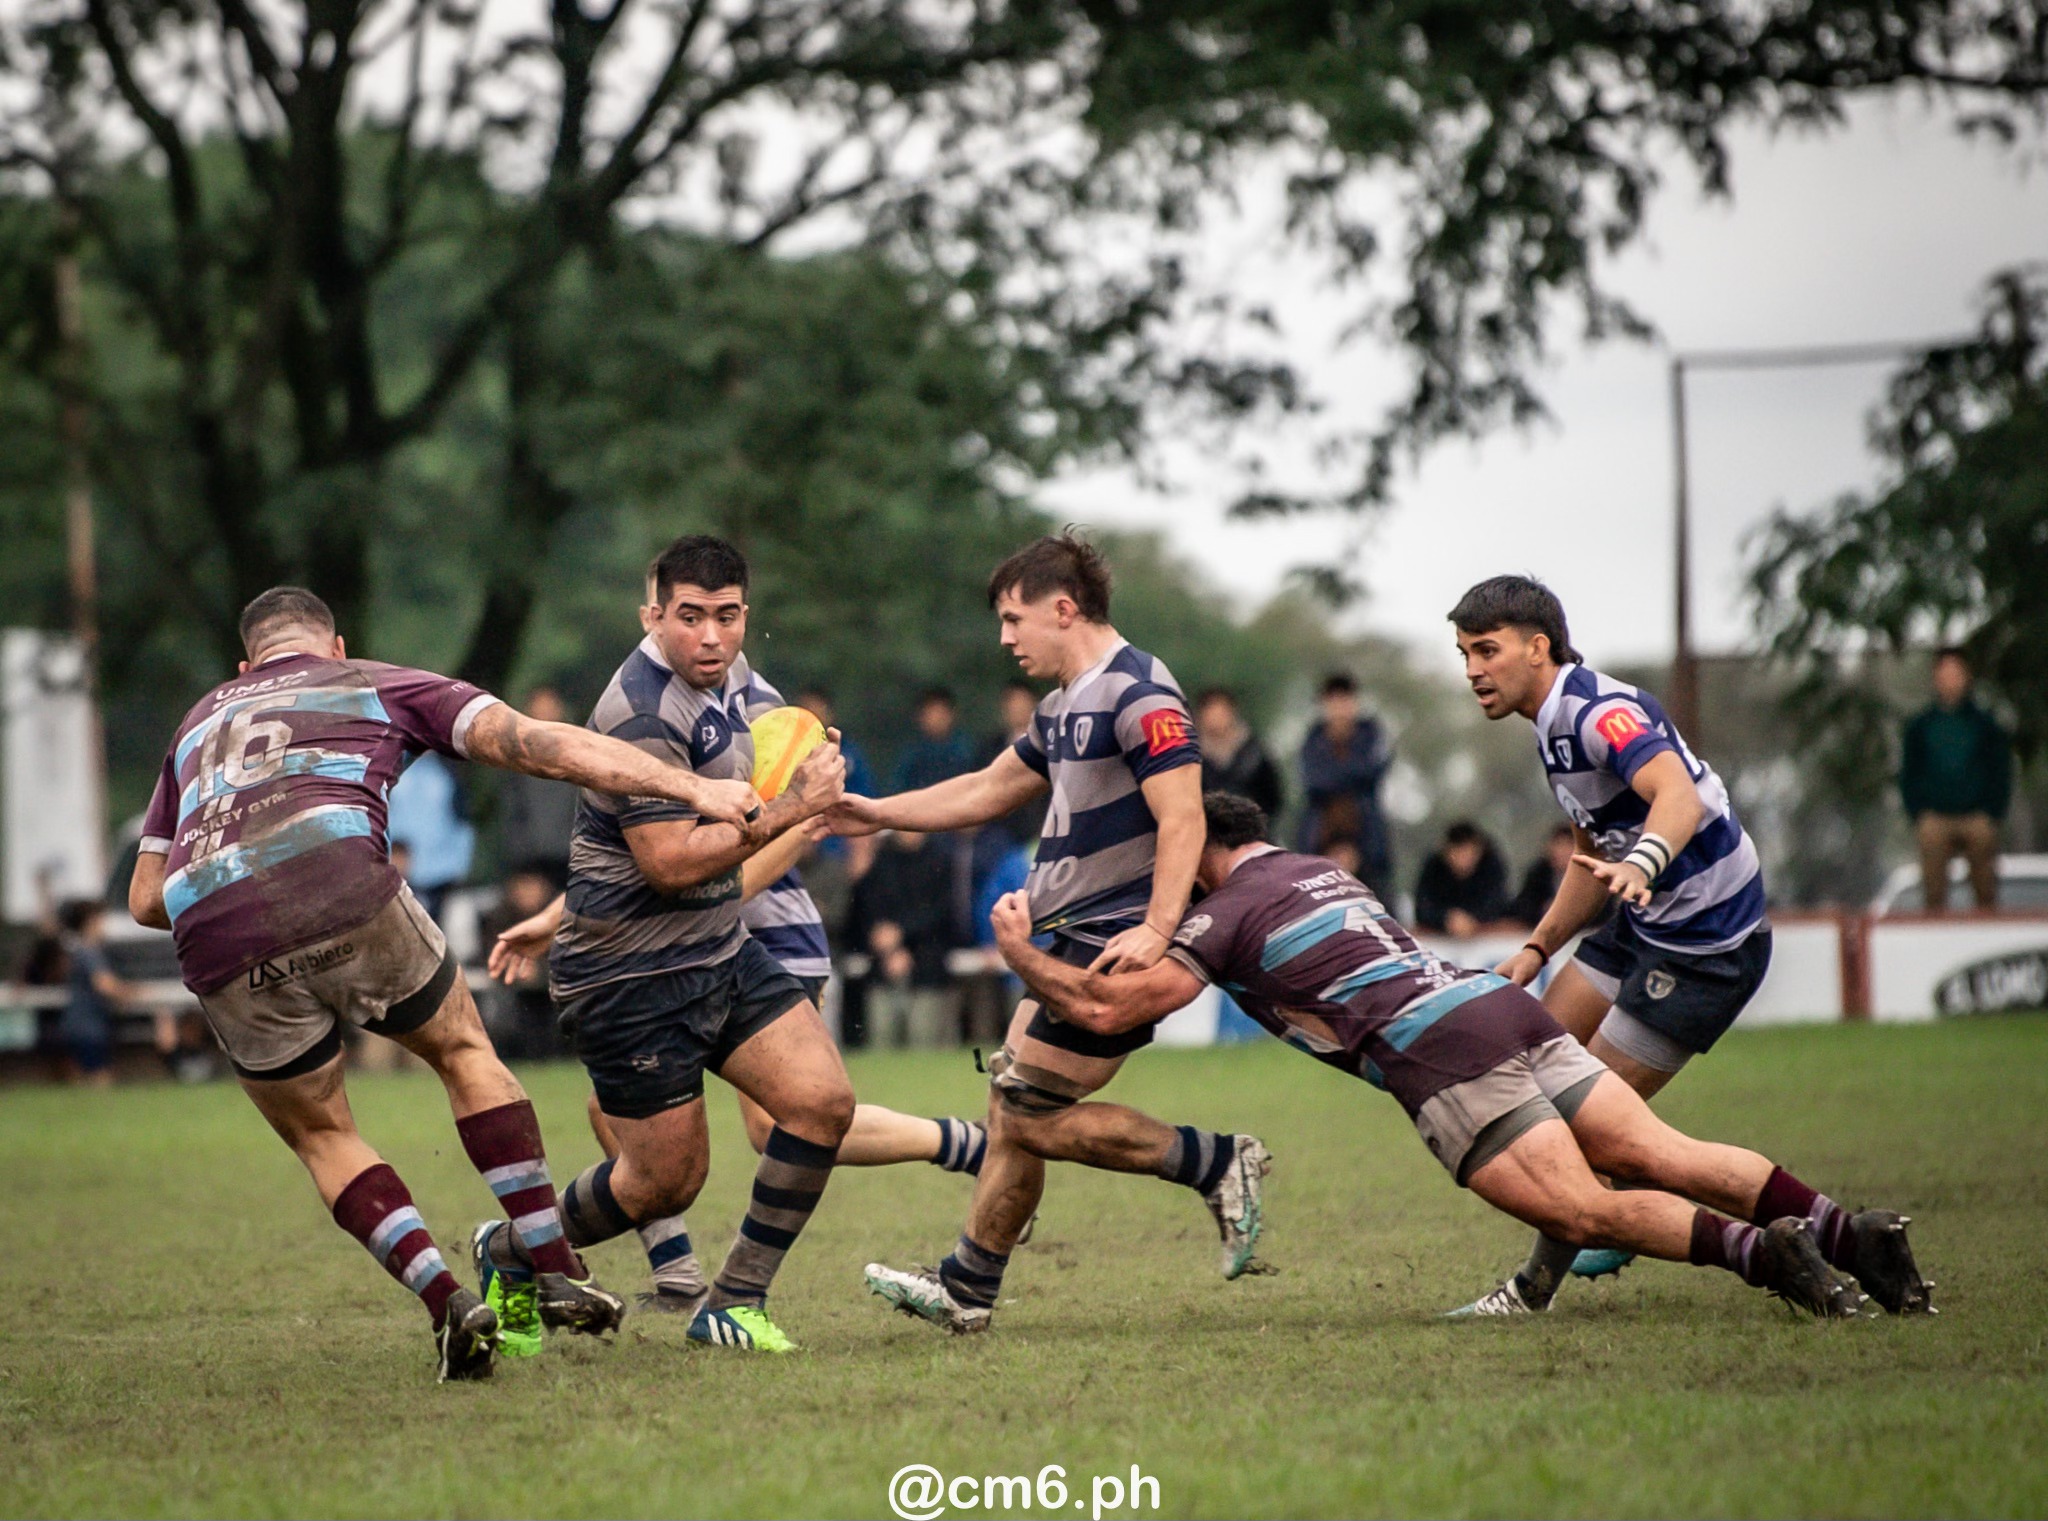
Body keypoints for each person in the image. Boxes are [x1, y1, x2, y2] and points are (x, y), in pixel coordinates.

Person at [126, 586, 761, 1381]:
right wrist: (695, 789)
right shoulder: (368, 679)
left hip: (213, 923)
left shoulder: (197, 722)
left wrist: (241, 894)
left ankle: (446, 1299)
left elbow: (147, 896)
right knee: (461, 1050)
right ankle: (556, 1263)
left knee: (324, 1135)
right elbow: (535, 745)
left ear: (246, 664)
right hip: (339, 876)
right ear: (335, 645)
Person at [990, 792, 1933, 1325]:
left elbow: (1118, 1002)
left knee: (1584, 1204)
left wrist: (1022, 953)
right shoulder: (1319, 870)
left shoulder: (1222, 910)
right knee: (1666, 1151)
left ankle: (1766, 1257)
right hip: (1498, 1005)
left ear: (1202, 848)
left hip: (1440, 1053)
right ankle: (1856, 1233)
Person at [476, 536, 982, 1352]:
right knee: (661, 1182)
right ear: (652, 615)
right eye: (689, 618)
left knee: (821, 1102)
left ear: (746, 613)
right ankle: (506, 1251)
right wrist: (794, 810)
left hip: (715, 947)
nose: (710, 638)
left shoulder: (744, 683)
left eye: (727, 616)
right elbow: (672, 862)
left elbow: (776, 778)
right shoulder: (641, 713)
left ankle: (734, 1299)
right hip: (627, 973)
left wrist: (811, 777)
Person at [843, 533, 1269, 1335]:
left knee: (1028, 1113)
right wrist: (875, 811)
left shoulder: (1140, 691)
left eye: (1014, 618)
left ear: (1063, 609)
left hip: (1110, 936)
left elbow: (1183, 815)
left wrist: (1155, 928)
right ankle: (969, 1285)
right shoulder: (1063, 703)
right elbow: (985, 789)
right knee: (1012, 1107)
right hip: (1067, 931)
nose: (1005, 638)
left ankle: (1215, 1161)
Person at [1445, 573, 1773, 1313]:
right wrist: (1535, 949)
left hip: (1706, 942)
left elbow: (1677, 797)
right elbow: (1593, 856)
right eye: (1463, 653)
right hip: (1642, 920)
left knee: (1582, 1120)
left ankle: (1535, 1287)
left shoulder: (1599, 712)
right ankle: (1617, 1197)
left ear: (1538, 647)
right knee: (1525, 1065)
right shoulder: (1551, 726)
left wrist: (1642, 864)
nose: (1471, 670)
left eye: (1486, 650)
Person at [1901, 647, 2013, 912]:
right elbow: (1909, 772)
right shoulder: (1921, 726)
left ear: (1967, 676)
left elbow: (2000, 770)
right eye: (1945, 673)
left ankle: (1987, 931)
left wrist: (1992, 811)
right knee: (1933, 890)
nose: (1951, 679)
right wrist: (1918, 812)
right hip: (1935, 816)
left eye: (1956, 673)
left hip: (1976, 814)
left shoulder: (1984, 724)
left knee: (1986, 886)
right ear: (1935, 678)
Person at [851, 830, 966, 1048]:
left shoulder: (940, 859)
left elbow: (943, 913)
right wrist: (888, 948)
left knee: (924, 1040)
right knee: (880, 1041)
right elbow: (867, 913)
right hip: (882, 965)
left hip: (928, 966)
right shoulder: (881, 861)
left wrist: (901, 933)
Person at [1297, 672, 1393, 901]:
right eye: (1333, 701)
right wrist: (1352, 774)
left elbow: (1373, 772)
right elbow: (1313, 782)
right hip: (1319, 836)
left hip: (1368, 837)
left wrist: (1334, 774)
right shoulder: (1312, 738)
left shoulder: (1372, 734)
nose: (1339, 708)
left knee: (1380, 903)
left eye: (1345, 700)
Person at [496, 686, 582, 883]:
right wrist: (519, 856)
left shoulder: (577, 754)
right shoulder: (514, 758)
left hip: (569, 859)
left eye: (549, 706)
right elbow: (511, 810)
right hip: (528, 863)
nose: (544, 712)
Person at [55, 898, 138, 1086]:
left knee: (82, 1078)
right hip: (89, 1026)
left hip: (80, 1024)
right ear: (91, 921)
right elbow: (104, 984)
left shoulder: (80, 950)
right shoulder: (88, 951)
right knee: (100, 1078)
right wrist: (131, 992)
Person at [385, 748, 473, 922]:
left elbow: (463, 820)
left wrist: (460, 864)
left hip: (442, 875)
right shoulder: (387, 764)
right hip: (397, 869)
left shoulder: (450, 766)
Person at [1412, 822, 1514, 939]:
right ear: (1446, 851)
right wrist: (1446, 919)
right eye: (1458, 853)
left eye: (1468, 853)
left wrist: (1473, 920)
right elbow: (1423, 906)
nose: (1463, 860)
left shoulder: (1492, 866)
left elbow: (1499, 902)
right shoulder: (1433, 867)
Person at [1195, 687, 1284, 820]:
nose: (1216, 719)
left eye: (1221, 713)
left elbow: (1272, 797)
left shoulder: (1254, 753)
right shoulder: (1191, 757)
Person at [891, 686, 975, 794]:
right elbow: (898, 790)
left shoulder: (966, 752)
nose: (936, 718)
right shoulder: (912, 754)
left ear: (952, 715)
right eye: (930, 713)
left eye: (940, 713)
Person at [1509, 824, 1582, 930]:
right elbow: (1523, 906)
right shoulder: (1539, 873)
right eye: (1558, 845)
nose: (1562, 851)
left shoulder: (1592, 875)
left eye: (1568, 845)